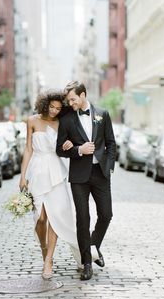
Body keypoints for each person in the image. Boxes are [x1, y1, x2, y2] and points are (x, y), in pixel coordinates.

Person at [56, 81, 116, 281]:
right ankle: (87, 264)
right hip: (79, 176)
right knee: (83, 218)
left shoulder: (103, 114)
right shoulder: (66, 120)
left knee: (106, 214)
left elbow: (111, 143)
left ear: (83, 95)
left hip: (100, 173)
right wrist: (78, 150)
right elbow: (59, 149)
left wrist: (109, 166)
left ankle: (93, 247)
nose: (71, 103)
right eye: (69, 100)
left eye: (73, 99)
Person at [19, 90, 80, 279]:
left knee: (54, 216)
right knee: (40, 218)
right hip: (37, 171)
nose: (54, 111)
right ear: (45, 105)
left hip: (56, 172)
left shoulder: (62, 122)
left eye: (58, 108)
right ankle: (44, 249)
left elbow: (69, 143)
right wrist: (22, 176)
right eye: (52, 107)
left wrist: (69, 144)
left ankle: (49, 260)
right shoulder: (31, 121)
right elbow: (28, 149)